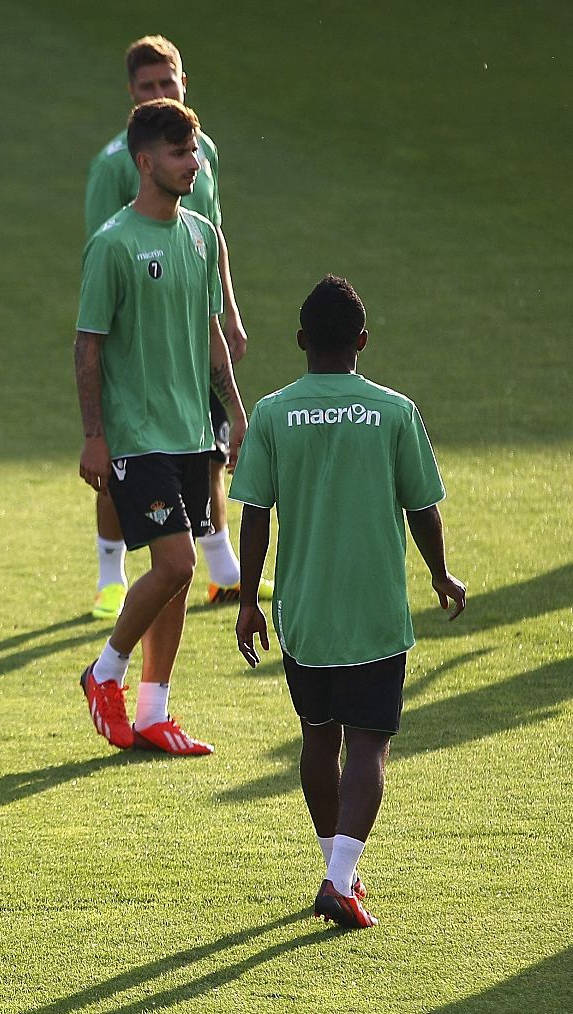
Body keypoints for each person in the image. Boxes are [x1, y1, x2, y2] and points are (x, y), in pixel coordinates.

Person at [233, 275, 465, 929]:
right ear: (362, 341)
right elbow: (423, 507)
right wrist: (442, 576)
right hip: (375, 612)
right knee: (368, 745)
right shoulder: (395, 411)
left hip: (303, 612)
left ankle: (339, 870)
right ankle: (339, 879)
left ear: (302, 340)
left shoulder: (274, 412)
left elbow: (254, 513)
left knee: (317, 738)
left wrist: (248, 601)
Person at [74, 99, 244, 756]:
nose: (193, 165)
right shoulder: (113, 244)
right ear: (146, 162)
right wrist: (94, 433)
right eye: (179, 154)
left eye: (194, 153)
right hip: (137, 434)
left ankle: (153, 713)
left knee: (172, 577)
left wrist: (236, 408)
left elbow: (210, 335)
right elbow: (87, 346)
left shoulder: (202, 235)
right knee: (175, 563)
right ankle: (104, 672)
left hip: (190, 430)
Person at [82, 35, 269, 617]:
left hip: (192, 328)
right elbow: (103, 256)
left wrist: (226, 311)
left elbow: (212, 233)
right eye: (148, 86)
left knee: (207, 449)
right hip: (139, 351)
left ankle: (222, 570)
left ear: (183, 80)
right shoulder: (115, 167)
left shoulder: (202, 152)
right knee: (130, 482)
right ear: (131, 92)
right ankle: (110, 578)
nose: (160, 92)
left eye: (168, 82)